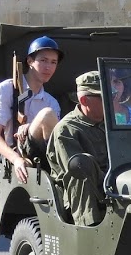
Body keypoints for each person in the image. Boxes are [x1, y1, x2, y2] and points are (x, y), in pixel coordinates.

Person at [0, 36, 62, 183]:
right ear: (30, 61)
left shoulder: (51, 101)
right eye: (43, 60)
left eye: (53, 62)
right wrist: (16, 159)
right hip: (15, 156)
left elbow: (55, 137)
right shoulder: (5, 89)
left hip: (44, 157)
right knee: (47, 114)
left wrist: (31, 126)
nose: (48, 67)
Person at [46, 71, 110, 227]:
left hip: (110, 182)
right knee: (81, 165)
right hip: (82, 192)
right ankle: (87, 226)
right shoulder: (66, 129)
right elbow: (76, 168)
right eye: (103, 97)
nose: (110, 101)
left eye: (111, 95)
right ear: (84, 100)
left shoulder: (110, 124)